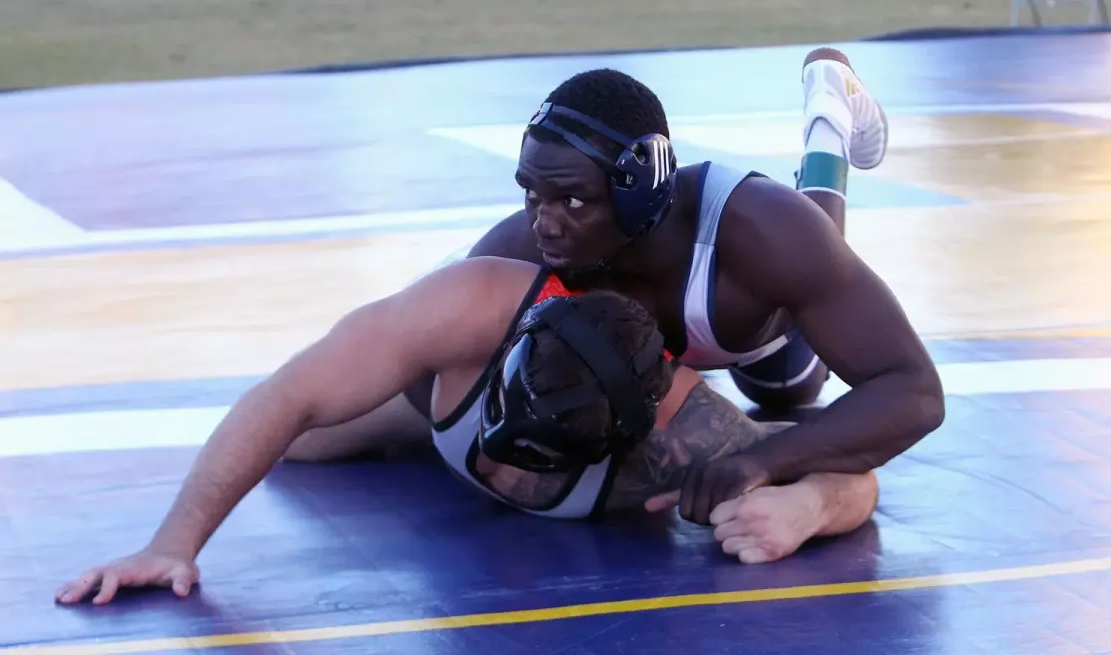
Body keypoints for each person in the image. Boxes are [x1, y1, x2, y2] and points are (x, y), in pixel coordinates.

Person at [55, 258, 879, 606]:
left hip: (693, 356)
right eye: (505, 428)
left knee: (778, 344)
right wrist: (174, 542)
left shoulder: (680, 432)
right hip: (430, 408)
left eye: (537, 450)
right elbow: (287, 395)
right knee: (303, 439)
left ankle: (783, 330)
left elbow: (857, 473)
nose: (505, 464)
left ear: (624, 438)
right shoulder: (465, 313)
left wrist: (806, 504)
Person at [458, 47, 945, 526]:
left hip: (763, 332)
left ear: (638, 189)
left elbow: (915, 392)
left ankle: (829, 121)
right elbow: (431, 363)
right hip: (686, 339)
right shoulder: (520, 250)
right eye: (531, 192)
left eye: (572, 199)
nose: (545, 224)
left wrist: (761, 461)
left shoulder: (761, 229)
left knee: (793, 386)